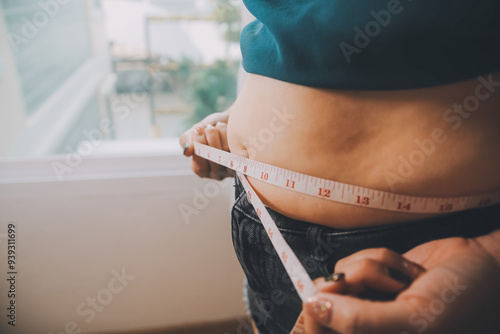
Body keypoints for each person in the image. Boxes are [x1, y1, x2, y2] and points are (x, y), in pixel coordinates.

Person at [180, 0, 500, 333]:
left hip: (435, 243)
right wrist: (238, 119)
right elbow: (295, 34)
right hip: (260, 218)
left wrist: (491, 253)